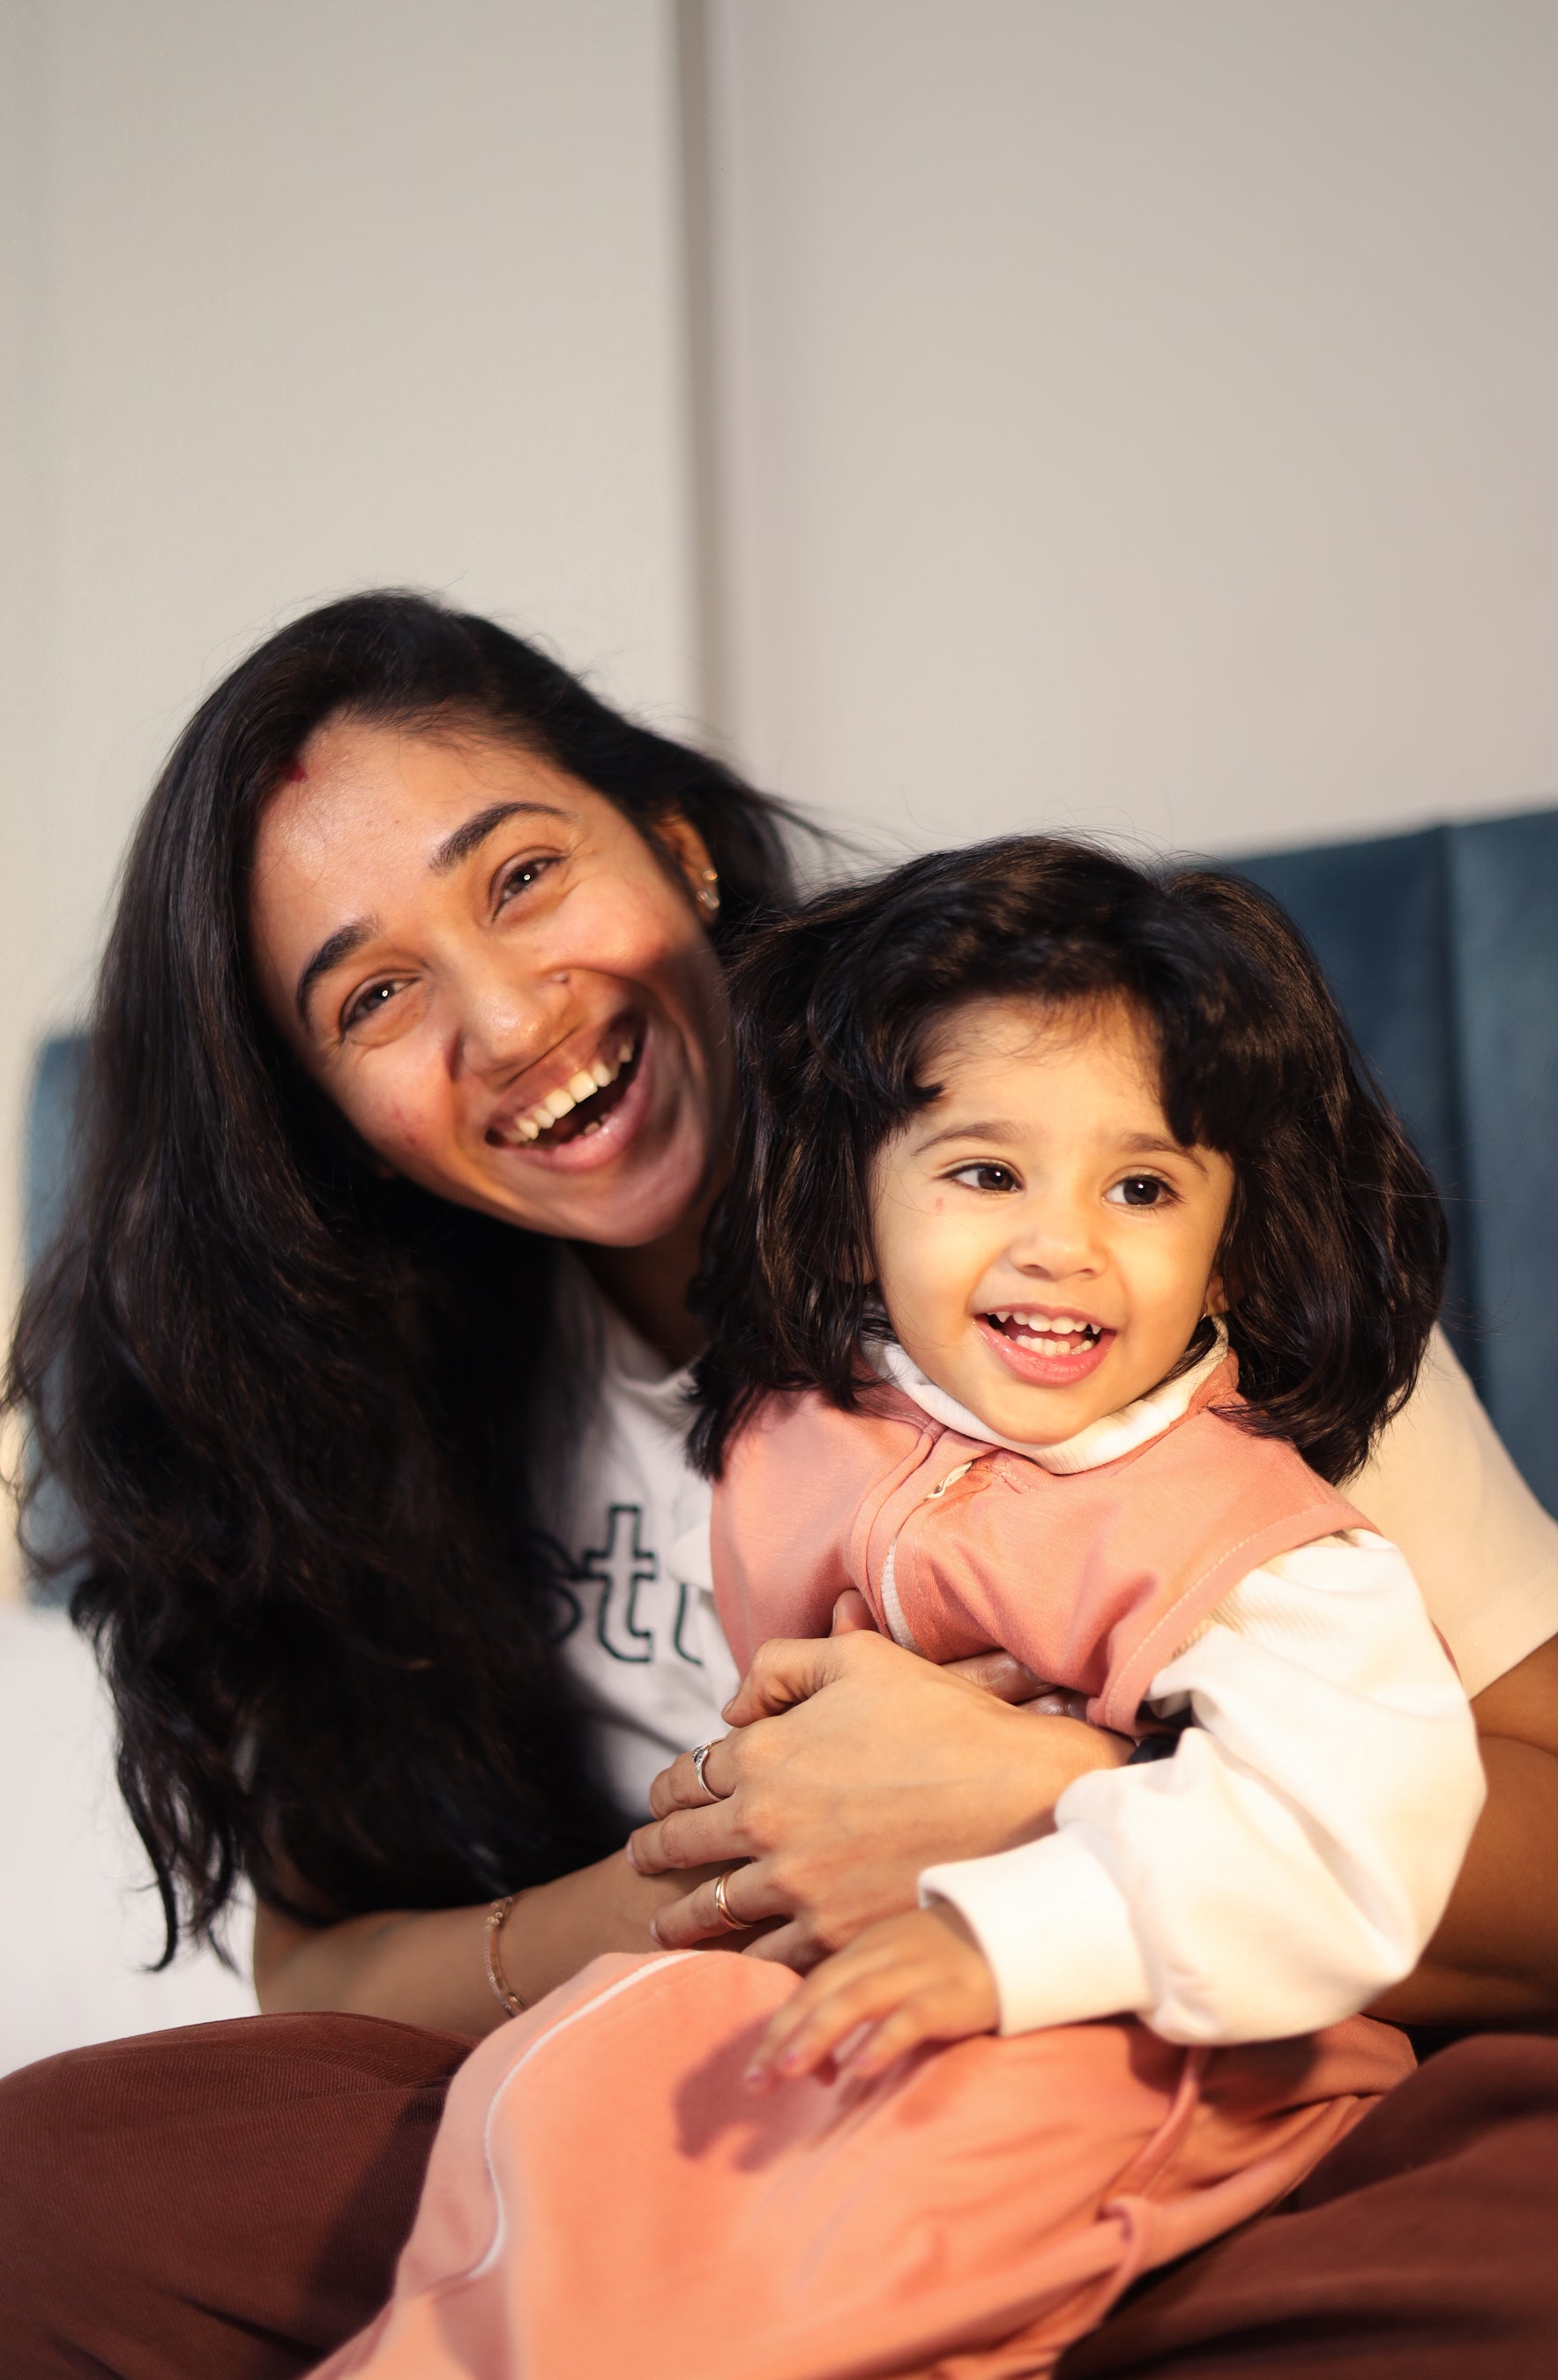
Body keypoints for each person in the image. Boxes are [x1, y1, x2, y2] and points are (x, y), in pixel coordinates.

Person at [0, 591, 1556, 2380]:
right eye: (375, 996)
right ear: (318, 1103)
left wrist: (1046, 1805)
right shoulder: (378, 1409)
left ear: (671, 845)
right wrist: (721, 1877)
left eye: (518, 878)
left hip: (1200, 2101)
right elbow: (318, 1973)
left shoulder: (1110, 1217)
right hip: (729, 2106)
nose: (503, 1019)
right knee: (49, 2193)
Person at [304, 837, 1480, 2377]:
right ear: (858, 1202)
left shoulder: (1254, 1544)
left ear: (1228, 1246)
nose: (1063, 1240)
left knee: (856, 2244)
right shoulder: (813, 1422)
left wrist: (1006, 1940)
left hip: (1141, 2034)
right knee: (572, 2077)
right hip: (844, 1995)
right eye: (985, 1173)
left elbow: (1355, 1839)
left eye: (1142, 1185)